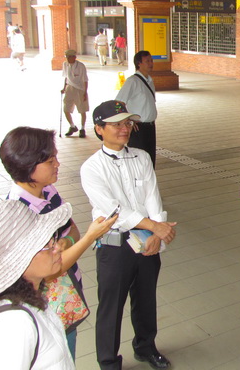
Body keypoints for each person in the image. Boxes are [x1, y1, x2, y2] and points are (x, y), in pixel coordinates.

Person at [0, 126, 115, 359]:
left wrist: (67, 241)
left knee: (67, 351)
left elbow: (72, 230)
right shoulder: (19, 212)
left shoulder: (47, 191)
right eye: (51, 160)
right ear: (28, 166)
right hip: (44, 303)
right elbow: (52, 269)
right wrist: (91, 236)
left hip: (67, 291)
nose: (58, 164)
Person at [80, 100, 177, 370]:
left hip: (147, 239)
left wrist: (157, 231)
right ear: (99, 129)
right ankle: (109, 362)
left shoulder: (141, 157)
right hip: (115, 246)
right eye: (116, 124)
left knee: (146, 299)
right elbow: (114, 211)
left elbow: (153, 197)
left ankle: (146, 347)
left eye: (127, 123)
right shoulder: (92, 168)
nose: (124, 128)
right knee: (111, 306)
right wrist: (155, 226)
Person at [0, 201, 78, 369]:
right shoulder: (12, 324)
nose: (56, 248)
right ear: (19, 260)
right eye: (46, 245)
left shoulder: (31, 297)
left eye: (52, 239)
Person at [115, 50, 158, 166]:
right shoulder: (132, 81)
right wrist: (128, 121)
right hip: (138, 128)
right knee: (138, 161)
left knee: (150, 160)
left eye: (151, 60)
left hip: (150, 126)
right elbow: (118, 103)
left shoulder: (150, 80)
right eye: (147, 61)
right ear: (139, 64)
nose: (151, 63)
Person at [61, 50, 89, 138]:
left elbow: (85, 79)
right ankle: (72, 126)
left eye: (69, 57)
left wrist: (85, 92)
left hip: (80, 89)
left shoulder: (81, 66)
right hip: (69, 88)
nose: (67, 59)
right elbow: (66, 77)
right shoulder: (65, 64)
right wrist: (64, 88)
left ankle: (82, 128)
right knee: (66, 109)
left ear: (74, 57)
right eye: (67, 57)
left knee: (82, 110)